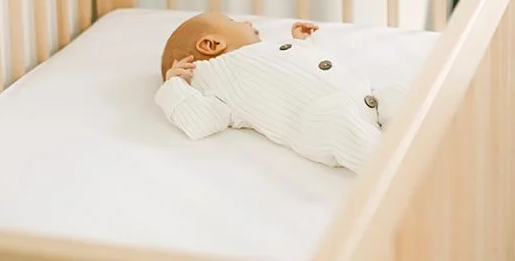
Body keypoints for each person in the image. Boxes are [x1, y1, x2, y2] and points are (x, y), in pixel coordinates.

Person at [156, 12, 398, 172]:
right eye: (232, 21)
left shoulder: (273, 48)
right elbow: (202, 121)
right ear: (211, 44)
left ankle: (430, 143)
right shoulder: (210, 74)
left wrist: (305, 42)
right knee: (347, 131)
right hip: (320, 118)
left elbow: (316, 63)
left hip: (366, 94)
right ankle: (400, 171)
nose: (248, 22)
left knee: (400, 95)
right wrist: (174, 86)